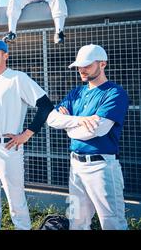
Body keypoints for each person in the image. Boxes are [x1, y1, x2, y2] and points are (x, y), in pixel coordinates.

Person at [0, 38, 54, 230]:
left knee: (16, 199)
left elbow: (45, 105)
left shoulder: (18, 78)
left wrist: (26, 134)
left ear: (5, 55)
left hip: (8, 148)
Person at [46, 44, 129, 230]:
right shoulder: (76, 92)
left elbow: (95, 130)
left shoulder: (115, 93)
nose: (81, 70)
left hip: (101, 167)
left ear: (102, 64)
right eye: (79, 66)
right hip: (75, 165)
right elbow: (52, 119)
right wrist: (80, 119)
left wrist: (67, 126)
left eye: (87, 65)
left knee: (112, 223)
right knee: (76, 222)